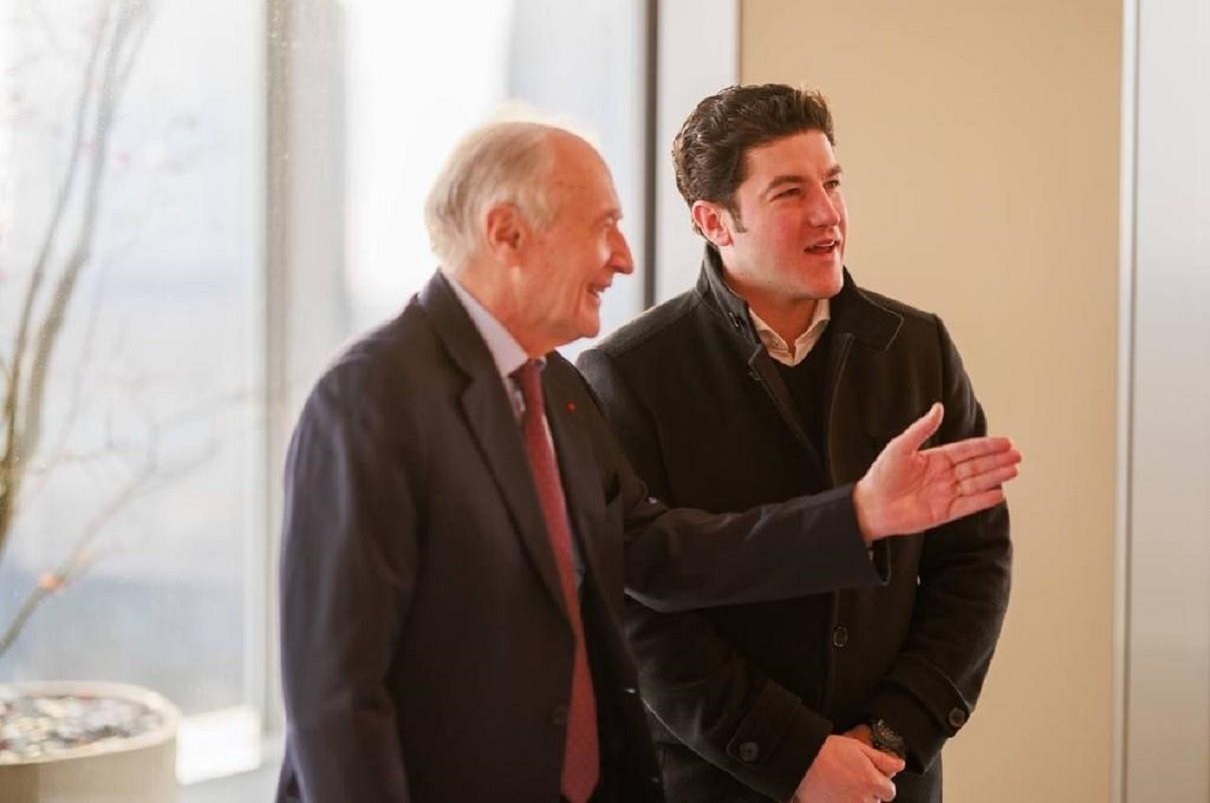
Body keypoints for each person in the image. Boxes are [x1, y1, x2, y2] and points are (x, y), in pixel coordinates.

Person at [275, 120, 1021, 803]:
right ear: (506, 233)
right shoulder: (371, 398)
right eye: (603, 227)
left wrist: (859, 514)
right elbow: (337, 701)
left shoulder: (556, 391)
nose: (624, 259)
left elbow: (662, 554)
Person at [579, 84, 1014, 803]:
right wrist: (797, 757)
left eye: (832, 182)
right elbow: (642, 617)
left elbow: (975, 564)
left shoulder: (918, 347)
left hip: (890, 781)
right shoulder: (625, 376)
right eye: (790, 192)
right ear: (714, 220)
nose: (827, 213)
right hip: (716, 782)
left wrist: (889, 737)